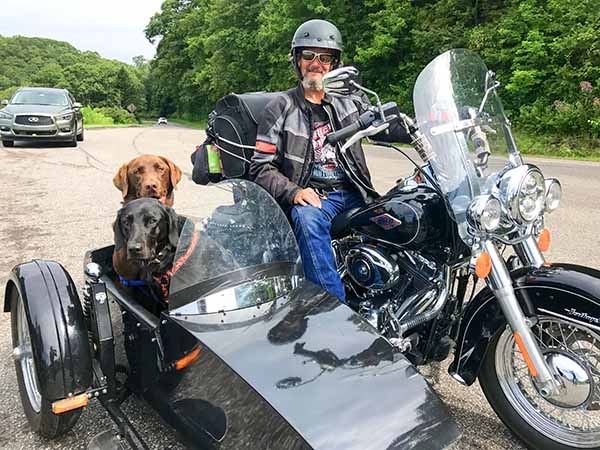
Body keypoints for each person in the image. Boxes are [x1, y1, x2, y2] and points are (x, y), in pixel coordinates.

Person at [249, 19, 410, 302]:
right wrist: (294, 192)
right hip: (316, 197)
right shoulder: (281, 107)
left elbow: (384, 127)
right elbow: (260, 166)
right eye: (309, 55)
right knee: (307, 219)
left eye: (325, 58)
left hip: (356, 192)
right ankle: (335, 310)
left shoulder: (350, 100)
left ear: (335, 64)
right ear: (297, 60)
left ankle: (395, 301)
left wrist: (427, 126)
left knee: (407, 213)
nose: (316, 64)